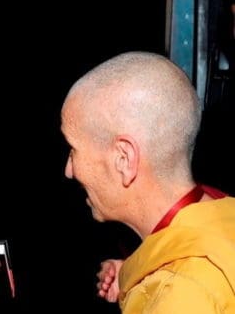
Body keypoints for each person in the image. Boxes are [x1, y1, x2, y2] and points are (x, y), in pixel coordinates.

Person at [60, 51, 235, 313]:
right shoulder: (220, 212)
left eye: (73, 150)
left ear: (124, 158)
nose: (69, 170)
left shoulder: (183, 292)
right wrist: (136, 274)